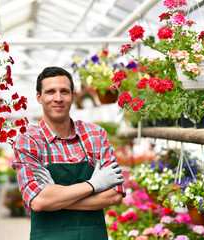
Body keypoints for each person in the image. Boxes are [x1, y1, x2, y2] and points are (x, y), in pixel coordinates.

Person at [12, 66, 125, 240]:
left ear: (73, 97)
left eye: (64, 91)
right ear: (39, 97)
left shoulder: (95, 134)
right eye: (50, 92)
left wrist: (55, 197)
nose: (58, 98)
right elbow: (39, 202)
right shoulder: (29, 141)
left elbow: (115, 195)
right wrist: (93, 185)